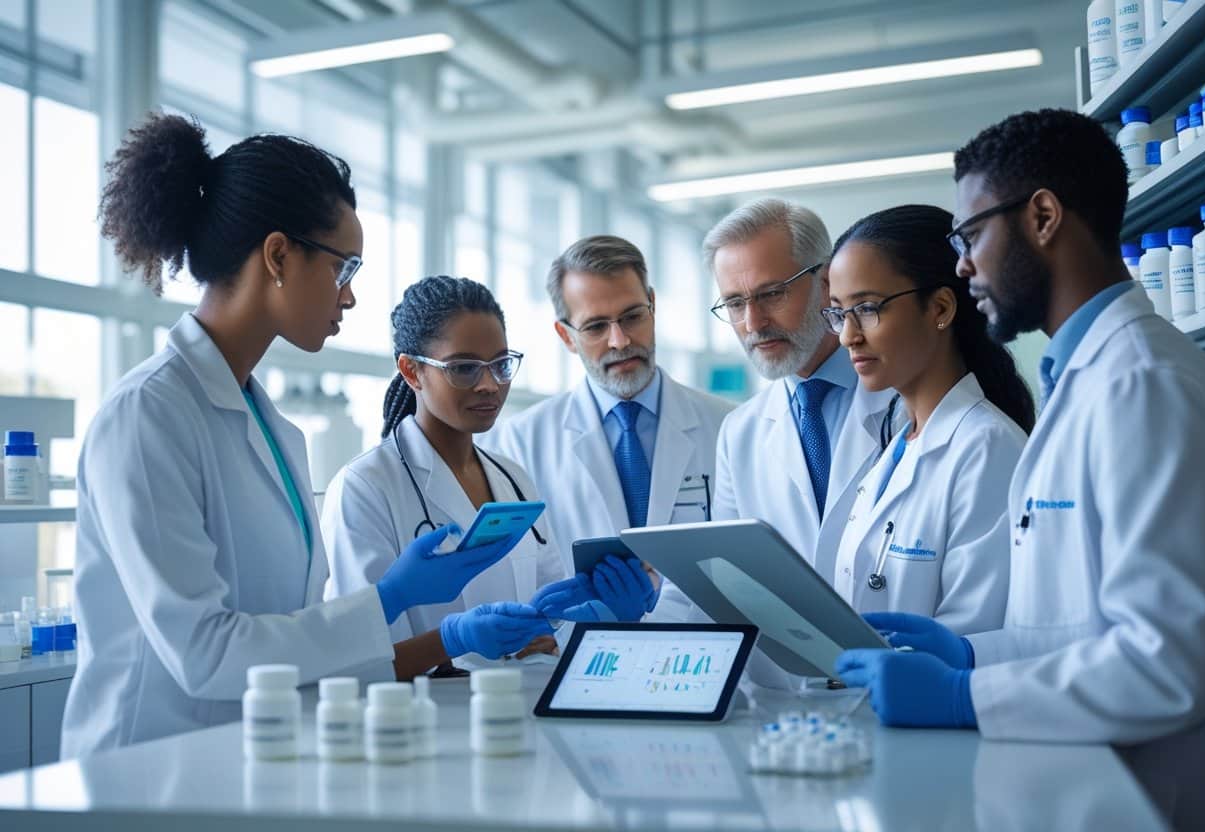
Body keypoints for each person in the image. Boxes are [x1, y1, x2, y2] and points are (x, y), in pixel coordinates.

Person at [61, 115, 548, 758]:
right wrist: (387, 601)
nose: (349, 298)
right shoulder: (147, 416)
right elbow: (206, 654)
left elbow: (296, 644)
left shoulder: (270, 427)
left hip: (247, 756)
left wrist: (447, 635)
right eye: (344, 268)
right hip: (144, 765)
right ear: (279, 256)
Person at [834, 109, 1205, 828]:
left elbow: (1170, 662)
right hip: (1080, 786)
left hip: (1148, 798)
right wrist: (973, 655)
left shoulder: (1141, 384)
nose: (963, 265)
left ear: (1043, 216)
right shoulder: (1087, 381)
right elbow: (1086, 626)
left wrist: (962, 696)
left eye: (972, 235)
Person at [321, 275, 568, 670]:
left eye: (501, 365)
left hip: (521, 707)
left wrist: (553, 627)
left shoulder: (512, 477)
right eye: (465, 368)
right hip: (427, 718)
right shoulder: (366, 487)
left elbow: (548, 605)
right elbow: (354, 655)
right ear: (412, 371)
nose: (489, 385)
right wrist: (455, 641)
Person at [484, 235, 733, 621]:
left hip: (705, 656)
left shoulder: (726, 428)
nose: (620, 340)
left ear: (653, 306)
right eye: (596, 326)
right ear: (566, 335)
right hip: (578, 658)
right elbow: (517, 582)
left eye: (633, 316)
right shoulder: (516, 444)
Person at [824, 205, 1033, 632]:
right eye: (838, 313)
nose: (848, 336)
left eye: (866, 308)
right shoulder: (897, 445)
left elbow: (976, 636)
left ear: (939, 308)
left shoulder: (987, 447)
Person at [703, 197, 896, 586]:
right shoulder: (739, 433)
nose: (753, 322)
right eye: (735, 303)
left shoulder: (903, 397)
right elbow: (728, 578)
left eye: (772, 293)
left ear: (826, 283)